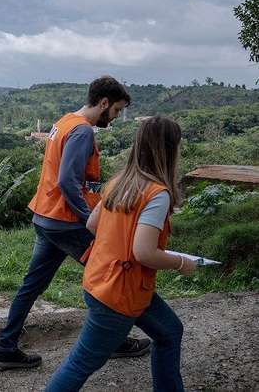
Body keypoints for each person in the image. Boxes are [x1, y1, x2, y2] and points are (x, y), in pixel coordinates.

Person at [0, 76, 149, 370]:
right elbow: (68, 180)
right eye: (115, 110)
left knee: (31, 286)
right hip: (66, 222)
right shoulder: (82, 132)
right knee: (113, 276)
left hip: (45, 217)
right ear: (103, 103)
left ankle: (6, 347)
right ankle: (117, 341)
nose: (115, 118)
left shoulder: (64, 122)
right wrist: (88, 218)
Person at [45, 116, 196, 391]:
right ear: (170, 151)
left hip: (107, 281)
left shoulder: (119, 182)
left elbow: (92, 224)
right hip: (119, 294)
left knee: (170, 332)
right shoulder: (156, 194)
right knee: (80, 364)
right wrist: (181, 262)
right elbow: (144, 252)